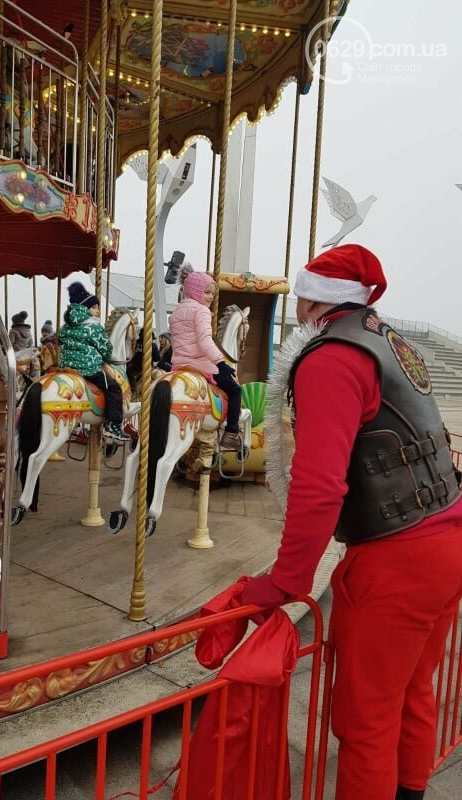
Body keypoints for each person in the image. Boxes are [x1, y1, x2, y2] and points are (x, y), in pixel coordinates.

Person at [241, 244, 462, 800]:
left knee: (365, 723)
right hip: (445, 539)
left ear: (314, 298)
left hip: (397, 559)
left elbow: (319, 487)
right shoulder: (391, 341)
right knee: (414, 692)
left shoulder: (332, 357)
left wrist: (286, 580)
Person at [169, 265, 242, 449]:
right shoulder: (200, 311)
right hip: (201, 365)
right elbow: (204, 341)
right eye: (207, 292)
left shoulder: (177, 312)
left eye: (212, 293)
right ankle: (231, 433)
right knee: (235, 390)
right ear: (195, 291)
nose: (210, 297)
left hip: (179, 366)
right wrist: (221, 363)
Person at [58, 282, 130, 442]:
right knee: (114, 388)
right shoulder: (93, 327)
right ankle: (113, 426)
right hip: (88, 369)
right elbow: (106, 349)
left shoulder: (68, 326)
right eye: (95, 307)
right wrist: (105, 357)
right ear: (85, 309)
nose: (98, 311)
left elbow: (60, 339)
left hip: (67, 368)